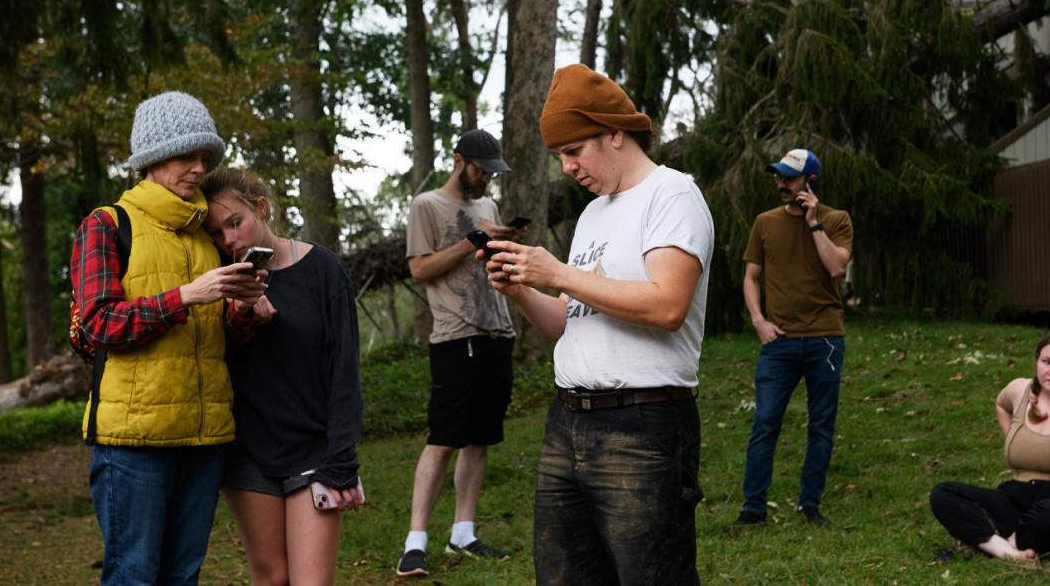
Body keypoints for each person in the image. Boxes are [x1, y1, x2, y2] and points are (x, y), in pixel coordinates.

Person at [483, 63, 715, 586]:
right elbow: (568, 322)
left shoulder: (672, 195)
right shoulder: (593, 214)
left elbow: (667, 306)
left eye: (573, 151)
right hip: (567, 422)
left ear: (614, 132)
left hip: (643, 427)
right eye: (559, 156)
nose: (566, 167)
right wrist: (520, 286)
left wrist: (559, 271)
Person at [69, 91, 267, 586]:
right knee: (134, 574)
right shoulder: (107, 224)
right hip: (133, 442)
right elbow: (98, 324)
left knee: (184, 575)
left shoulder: (208, 237)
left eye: (205, 157)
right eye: (186, 156)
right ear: (152, 158)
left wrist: (242, 312)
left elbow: (219, 344)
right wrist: (184, 297)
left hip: (205, 437)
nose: (199, 168)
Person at [201, 167, 365, 586]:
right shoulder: (219, 281)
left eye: (236, 223)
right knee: (272, 578)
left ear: (261, 208)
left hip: (313, 451)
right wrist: (238, 316)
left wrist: (341, 459)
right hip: (248, 452)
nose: (229, 241)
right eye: (217, 234)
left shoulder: (323, 270)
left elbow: (344, 369)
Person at [395, 129, 524, 578]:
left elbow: (486, 254)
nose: (487, 177)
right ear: (458, 160)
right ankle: (415, 543)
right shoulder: (426, 205)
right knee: (443, 438)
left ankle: (463, 534)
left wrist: (502, 240)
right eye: (481, 169)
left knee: (480, 438)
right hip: (454, 337)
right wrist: (473, 240)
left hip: (496, 332)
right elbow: (419, 269)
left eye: (492, 171)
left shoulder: (487, 207)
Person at [929, 327, 1050, 561]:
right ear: (1037, 361)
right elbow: (1001, 404)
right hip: (1020, 496)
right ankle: (1007, 551)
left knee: (1048, 514)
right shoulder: (1019, 390)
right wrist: (1016, 437)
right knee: (943, 493)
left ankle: (992, 540)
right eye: (1046, 361)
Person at [735, 149, 853, 529]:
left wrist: (814, 222)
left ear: (811, 182)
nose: (781, 184)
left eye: (789, 177)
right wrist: (759, 321)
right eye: (779, 177)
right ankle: (753, 510)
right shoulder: (764, 223)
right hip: (779, 342)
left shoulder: (837, 220)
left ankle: (809, 505)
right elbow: (751, 277)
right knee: (765, 423)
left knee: (821, 425)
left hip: (825, 340)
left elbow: (836, 267)